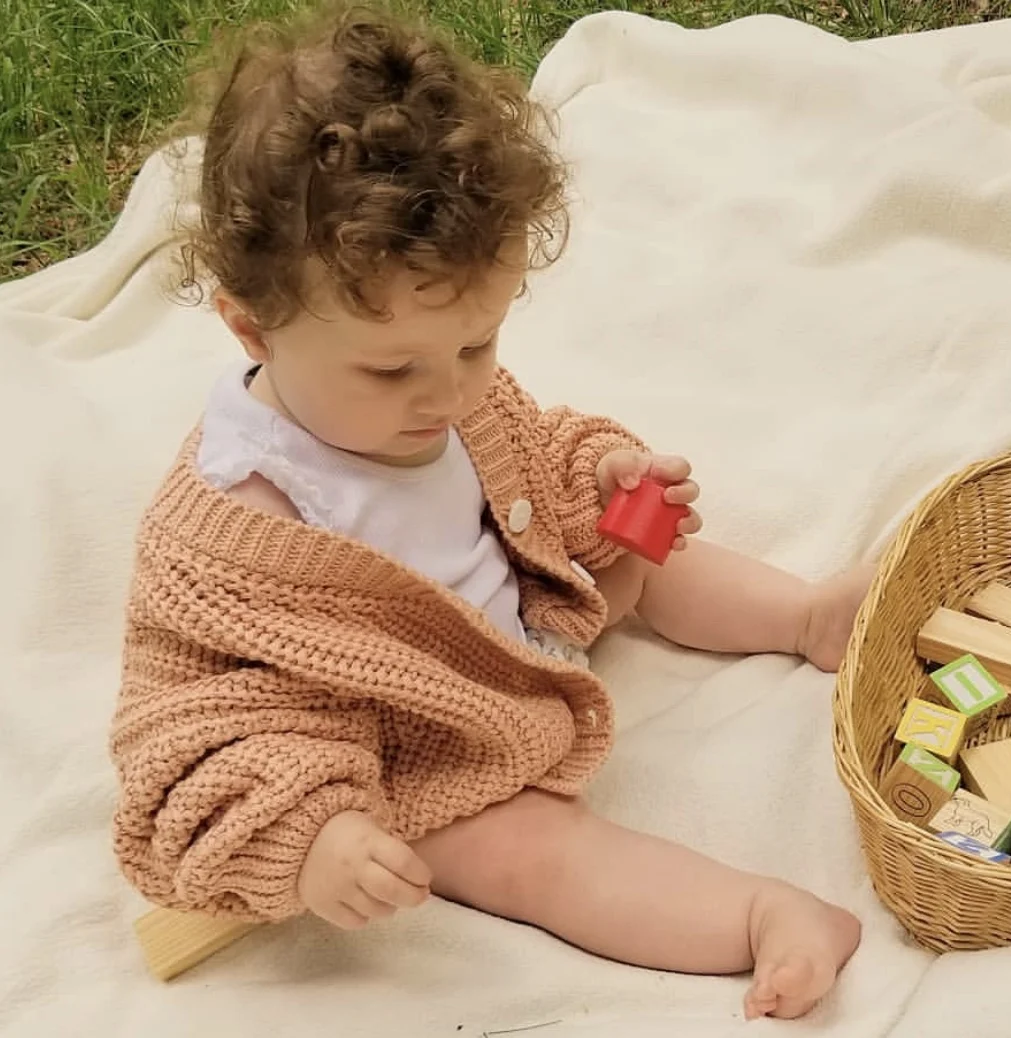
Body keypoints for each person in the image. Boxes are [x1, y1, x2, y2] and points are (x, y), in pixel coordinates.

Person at [109, 5, 869, 1020]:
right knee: (526, 855)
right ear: (253, 328)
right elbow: (192, 731)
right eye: (393, 369)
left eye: (479, 344)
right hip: (426, 744)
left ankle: (807, 618)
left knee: (654, 563)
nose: (449, 393)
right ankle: (762, 915)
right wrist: (314, 839)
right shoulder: (227, 535)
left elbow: (530, 461)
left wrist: (603, 480)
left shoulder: (443, 397)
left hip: (531, 617)